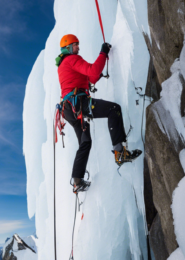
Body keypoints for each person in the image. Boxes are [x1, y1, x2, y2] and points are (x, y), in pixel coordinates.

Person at [56, 34, 142, 193]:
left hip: (69, 110)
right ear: (68, 46)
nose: (78, 48)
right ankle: (120, 152)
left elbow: (92, 77)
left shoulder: (64, 65)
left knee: (85, 142)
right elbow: (93, 70)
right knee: (113, 109)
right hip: (79, 104)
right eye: (75, 45)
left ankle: (77, 179)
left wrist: (97, 75)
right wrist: (103, 53)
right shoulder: (71, 59)